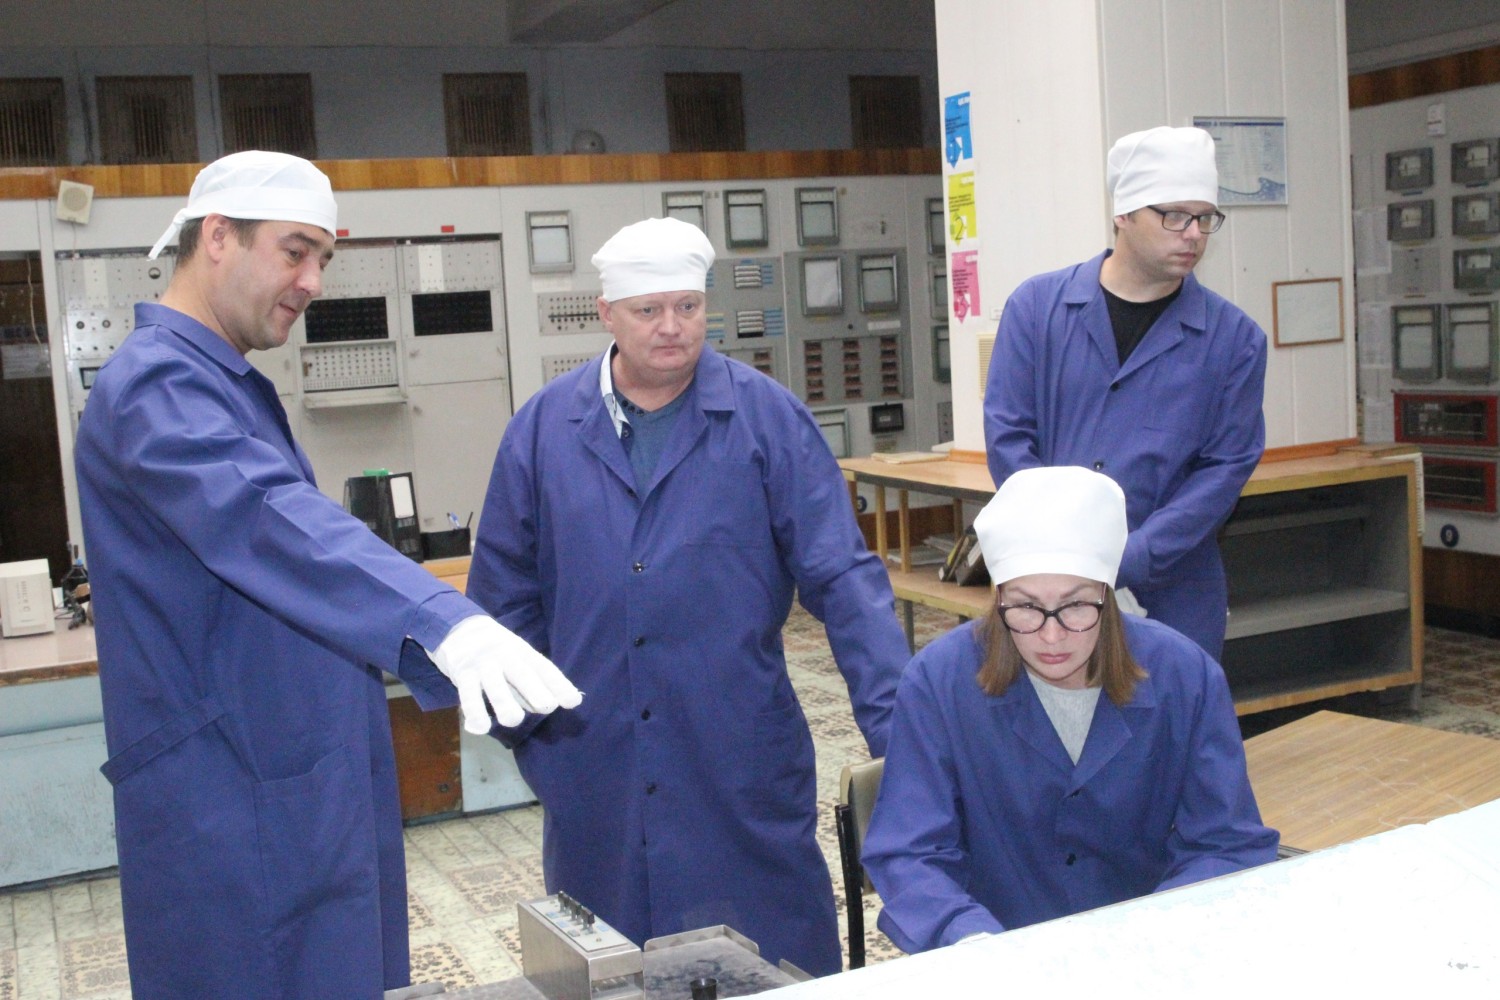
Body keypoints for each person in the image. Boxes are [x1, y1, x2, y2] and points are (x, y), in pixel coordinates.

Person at [74, 151, 581, 1000]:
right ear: (218, 237)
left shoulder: (221, 379)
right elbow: (264, 517)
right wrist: (443, 619)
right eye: (296, 251)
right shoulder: (155, 382)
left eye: (325, 259)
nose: (313, 281)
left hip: (287, 777)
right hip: (228, 797)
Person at [466, 216, 909, 976]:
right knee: (611, 969)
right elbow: (502, 598)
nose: (671, 327)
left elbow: (844, 579)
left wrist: (900, 735)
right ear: (606, 314)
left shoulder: (767, 420)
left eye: (688, 307)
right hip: (594, 759)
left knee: (773, 961)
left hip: (737, 750)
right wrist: (542, 741)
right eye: (648, 310)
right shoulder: (542, 431)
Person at [861, 465, 1279, 954]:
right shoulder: (937, 683)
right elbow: (910, 853)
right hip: (990, 955)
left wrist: (1159, 928)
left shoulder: (1185, 676)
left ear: (1108, 595)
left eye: (1077, 605)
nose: (1052, 635)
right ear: (997, 598)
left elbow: (1226, 843)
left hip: (1151, 950)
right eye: (1025, 607)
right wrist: (966, 936)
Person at [984, 125, 1268, 660]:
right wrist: (1068, 555)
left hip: (1174, 587)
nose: (1193, 235)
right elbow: (1009, 438)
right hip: (1049, 584)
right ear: (1124, 214)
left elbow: (1225, 469)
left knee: (1173, 707)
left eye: (1205, 218)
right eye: (1175, 216)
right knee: (1050, 709)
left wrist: (1130, 559)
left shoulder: (1235, 339)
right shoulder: (1037, 310)